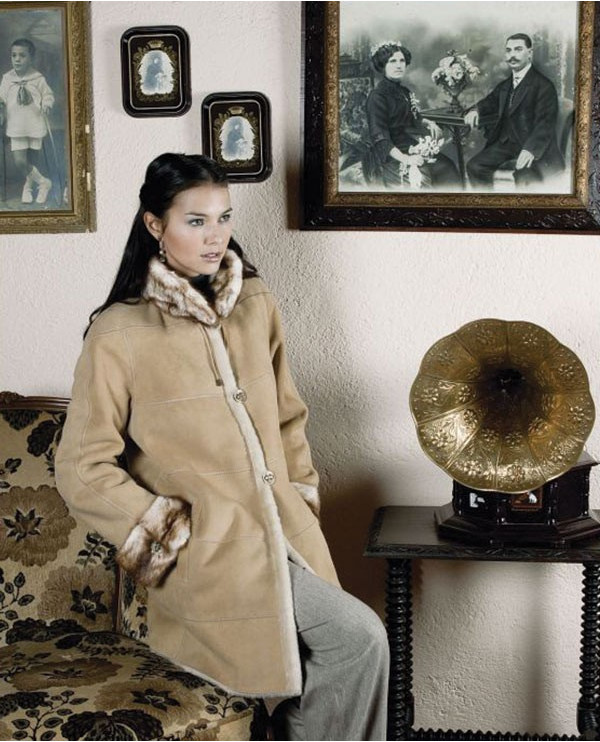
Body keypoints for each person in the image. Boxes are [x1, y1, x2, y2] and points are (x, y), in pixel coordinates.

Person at [55, 153, 389, 741]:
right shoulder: (118, 332)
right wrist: (165, 532)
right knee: (350, 640)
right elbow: (82, 467)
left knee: (344, 651)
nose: (216, 236)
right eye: (196, 221)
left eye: (224, 218)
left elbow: (288, 417)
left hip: (284, 532)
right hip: (207, 554)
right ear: (155, 225)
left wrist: (300, 494)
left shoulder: (254, 303)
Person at [464, 33, 563, 189]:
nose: (512, 55)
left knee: (525, 179)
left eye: (518, 50)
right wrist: (475, 110)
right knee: (474, 166)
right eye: (508, 50)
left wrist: (530, 149)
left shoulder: (544, 86)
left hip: (536, 147)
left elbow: (545, 124)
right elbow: (489, 102)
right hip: (507, 145)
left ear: (529, 53)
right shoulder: (505, 85)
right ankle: (486, 203)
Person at [365, 41, 460, 189]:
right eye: (392, 61)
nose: (399, 65)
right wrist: (406, 159)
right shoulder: (377, 96)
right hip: (390, 153)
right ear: (383, 65)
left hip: (409, 145)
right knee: (423, 178)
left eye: (402, 61)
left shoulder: (404, 92)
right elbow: (380, 137)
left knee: (447, 167)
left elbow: (412, 116)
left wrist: (428, 122)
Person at [0, 37, 55, 204]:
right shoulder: (7, 79)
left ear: (31, 58)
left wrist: (46, 104)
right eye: (14, 55)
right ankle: (44, 183)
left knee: (33, 160)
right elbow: (1, 98)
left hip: (34, 124)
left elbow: (48, 95)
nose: (17, 59)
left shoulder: (37, 78)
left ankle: (28, 187)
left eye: (22, 55)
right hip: (16, 126)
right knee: (20, 161)